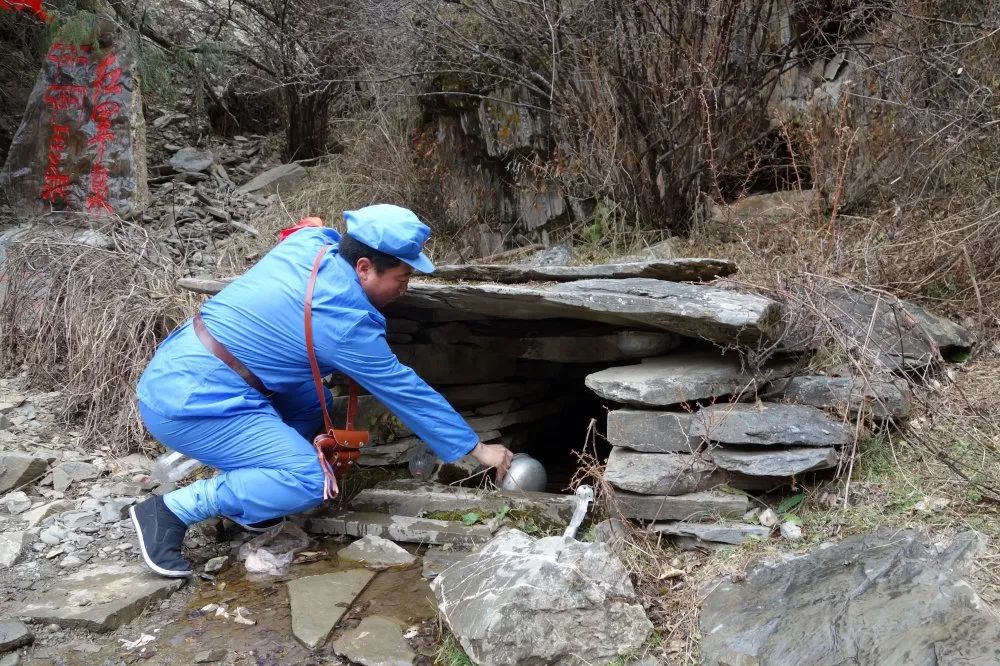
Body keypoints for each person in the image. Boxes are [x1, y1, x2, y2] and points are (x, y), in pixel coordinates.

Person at [129, 204, 514, 577]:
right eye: (402, 277)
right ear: (363, 268)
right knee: (309, 481)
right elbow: (406, 391)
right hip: (190, 401)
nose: (406, 287)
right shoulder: (345, 321)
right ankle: (170, 511)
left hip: (193, 366)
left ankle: (255, 500)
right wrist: (477, 448)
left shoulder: (314, 244)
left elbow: (304, 229)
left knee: (317, 403)